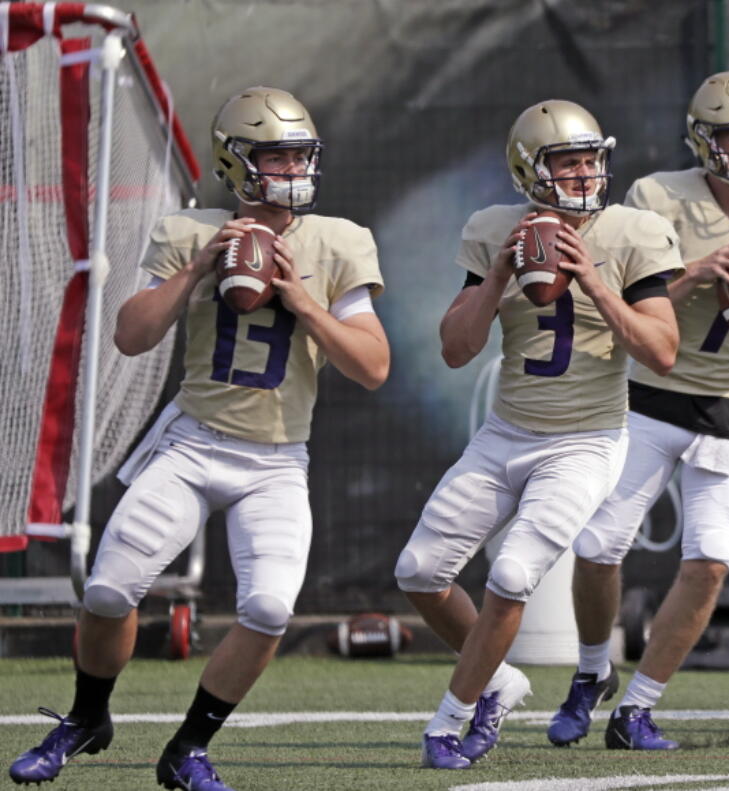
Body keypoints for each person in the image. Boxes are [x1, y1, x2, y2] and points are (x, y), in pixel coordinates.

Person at [9, 87, 390, 790]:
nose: (292, 168)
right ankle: (86, 716)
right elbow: (130, 335)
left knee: (270, 607)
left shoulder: (338, 241)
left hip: (277, 459)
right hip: (191, 442)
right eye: (276, 154)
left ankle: (188, 747)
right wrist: (197, 270)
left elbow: (372, 365)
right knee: (106, 591)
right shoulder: (190, 231)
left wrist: (302, 299)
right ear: (237, 161)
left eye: (300, 153)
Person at [543, 71, 729, 752]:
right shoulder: (656, 198)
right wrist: (702, 270)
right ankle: (591, 671)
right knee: (595, 544)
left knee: (708, 562)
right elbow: (624, 305)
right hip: (649, 397)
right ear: (704, 140)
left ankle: (638, 706)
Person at [395, 99, 681, 770]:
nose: (585, 174)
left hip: (586, 439)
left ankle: (451, 720)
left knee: (514, 571)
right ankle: (497, 678)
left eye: (591, 160)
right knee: (417, 570)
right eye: (567, 162)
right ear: (529, 169)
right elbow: (456, 348)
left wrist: (594, 281)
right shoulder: (494, 228)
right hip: (505, 432)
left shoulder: (635, 230)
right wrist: (498, 274)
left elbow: (663, 350)